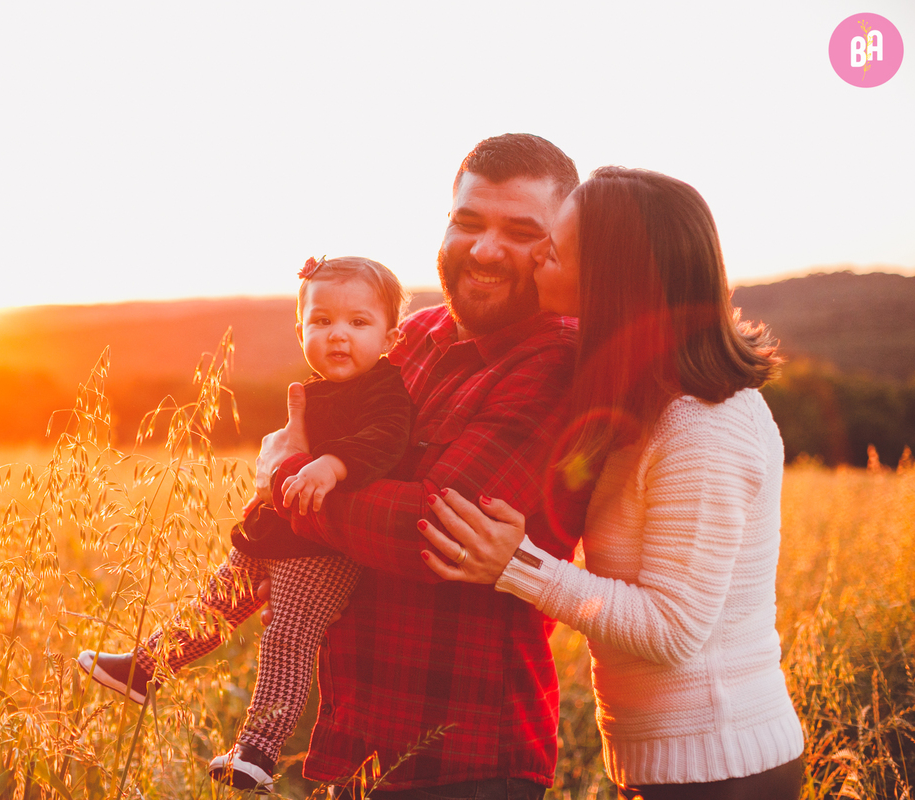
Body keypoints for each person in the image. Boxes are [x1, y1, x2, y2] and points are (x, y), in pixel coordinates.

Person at [418, 167, 806, 799]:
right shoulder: (640, 401)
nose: (539, 259)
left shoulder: (703, 424)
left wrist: (519, 566)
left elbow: (675, 630)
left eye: (555, 250)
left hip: (724, 767)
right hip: (666, 765)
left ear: (609, 280)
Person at [253, 134, 590, 799]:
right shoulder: (414, 337)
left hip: (466, 761)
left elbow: (432, 532)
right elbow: (335, 445)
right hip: (353, 743)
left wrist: (289, 481)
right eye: (468, 222)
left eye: (521, 232)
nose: (485, 249)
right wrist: (308, 474)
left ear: (558, 247)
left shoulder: (556, 359)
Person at [79, 256, 415, 793]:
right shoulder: (315, 389)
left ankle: (259, 749)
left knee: (288, 638)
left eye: (358, 323)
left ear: (391, 338)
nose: (338, 336)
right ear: (300, 328)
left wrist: (330, 465)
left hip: (326, 551)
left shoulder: (385, 390)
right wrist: (263, 504)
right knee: (215, 603)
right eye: (321, 321)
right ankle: (144, 668)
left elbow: (385, 443)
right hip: (277, 532)